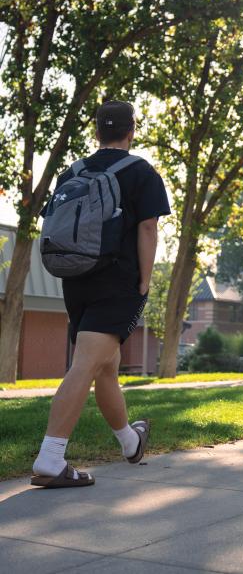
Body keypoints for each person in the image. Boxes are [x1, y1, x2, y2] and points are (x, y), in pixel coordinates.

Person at [31, 100, 171, 488]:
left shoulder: (72, 171)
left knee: (106, 364)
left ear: (97, 132)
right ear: (132, 130)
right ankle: (51, 458)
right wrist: (144, 282)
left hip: (75, 279)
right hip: (116, 281)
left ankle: (131, 442)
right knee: (86, 364)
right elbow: (147, 229)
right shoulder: (140, 171)